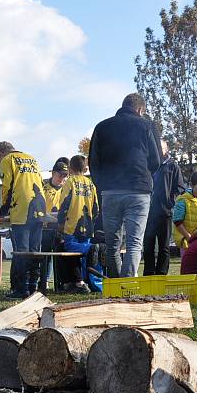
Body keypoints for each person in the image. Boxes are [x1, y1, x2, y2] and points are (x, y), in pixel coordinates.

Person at [89, 93, 161, 277]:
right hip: (138, 191)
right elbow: (156, 160)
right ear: (140, 110)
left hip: (110, 192)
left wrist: (102, 185)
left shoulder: (102, 126)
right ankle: (127, 287)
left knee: (112, 243)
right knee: (134, 242)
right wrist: (144, 174)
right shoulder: (146, 125)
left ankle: (115, 285)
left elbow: (93, 162)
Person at [0, 141, 47, 298]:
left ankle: (21, 289)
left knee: (21, 251)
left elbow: (7, 187)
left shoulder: (7, 160)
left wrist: (3, 210)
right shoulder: (31, 159)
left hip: (22, 209)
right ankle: (33, 287)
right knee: (35, 250)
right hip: (39, 206)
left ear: (0, 154)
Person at [57, 155, 100, 293]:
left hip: (72, 225)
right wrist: (91, 222)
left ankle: (91, 248)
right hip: (88, 226)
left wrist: (60, 223)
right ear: (84, 168)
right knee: (80, 255)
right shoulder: (90, 184)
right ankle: (83, 283)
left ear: (70, 168)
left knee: (70, 247)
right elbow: (96, 208)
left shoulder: (70, 182)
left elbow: (64, 204)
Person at [143, 140, 185, 275]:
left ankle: (161, 274)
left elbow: (180, 188)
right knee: (148, 245)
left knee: (164, 246)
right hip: (147, 211)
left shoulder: (173, 166)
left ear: (166, 149)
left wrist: (169, 202)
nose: (158, 150)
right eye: (156, 147)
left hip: (164, 212)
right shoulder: (148, 165)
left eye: (161, 148)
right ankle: (148, 273)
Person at [38, 159, 68, 292]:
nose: (62, 178)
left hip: (62, 229)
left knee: (61, 255)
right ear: (53, 173)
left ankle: (62, 282)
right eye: (60, 174)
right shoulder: (44, 189)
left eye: (65, 175)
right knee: (46, 257)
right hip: (46, 228)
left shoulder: (66, 190)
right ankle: (44, 281)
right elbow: (40, 211)